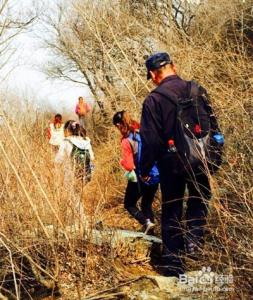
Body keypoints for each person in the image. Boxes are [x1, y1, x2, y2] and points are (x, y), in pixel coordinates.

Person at [140, 52, 212, 277]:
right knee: (199, 198)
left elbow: (150, 141)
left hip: (171, 163)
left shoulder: (153, 100)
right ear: (174, 66)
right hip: (201, 159)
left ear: (153, 74)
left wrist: (144, 169)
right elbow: (213, 125)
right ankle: (195, 241)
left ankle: (174, 264)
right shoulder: (197, 89)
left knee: (172, 209)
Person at [113, 111, 159, 234]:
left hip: (141, 176)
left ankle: (146, 222)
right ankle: (151, 236)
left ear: (119, 125)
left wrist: (122, 162)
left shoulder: (127, 140)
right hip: (155, 174)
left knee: (129, 204)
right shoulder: (143, 131)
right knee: (146, 204)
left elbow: (129, 165)